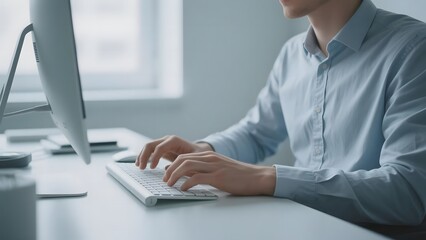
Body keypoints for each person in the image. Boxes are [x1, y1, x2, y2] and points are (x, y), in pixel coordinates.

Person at [136, 0, 426, 226]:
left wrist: (267, 178)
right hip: (301, 225)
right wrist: (204, 149)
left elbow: (409, 192)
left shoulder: (413, 49)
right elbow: (257, 133)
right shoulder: (291, 54)